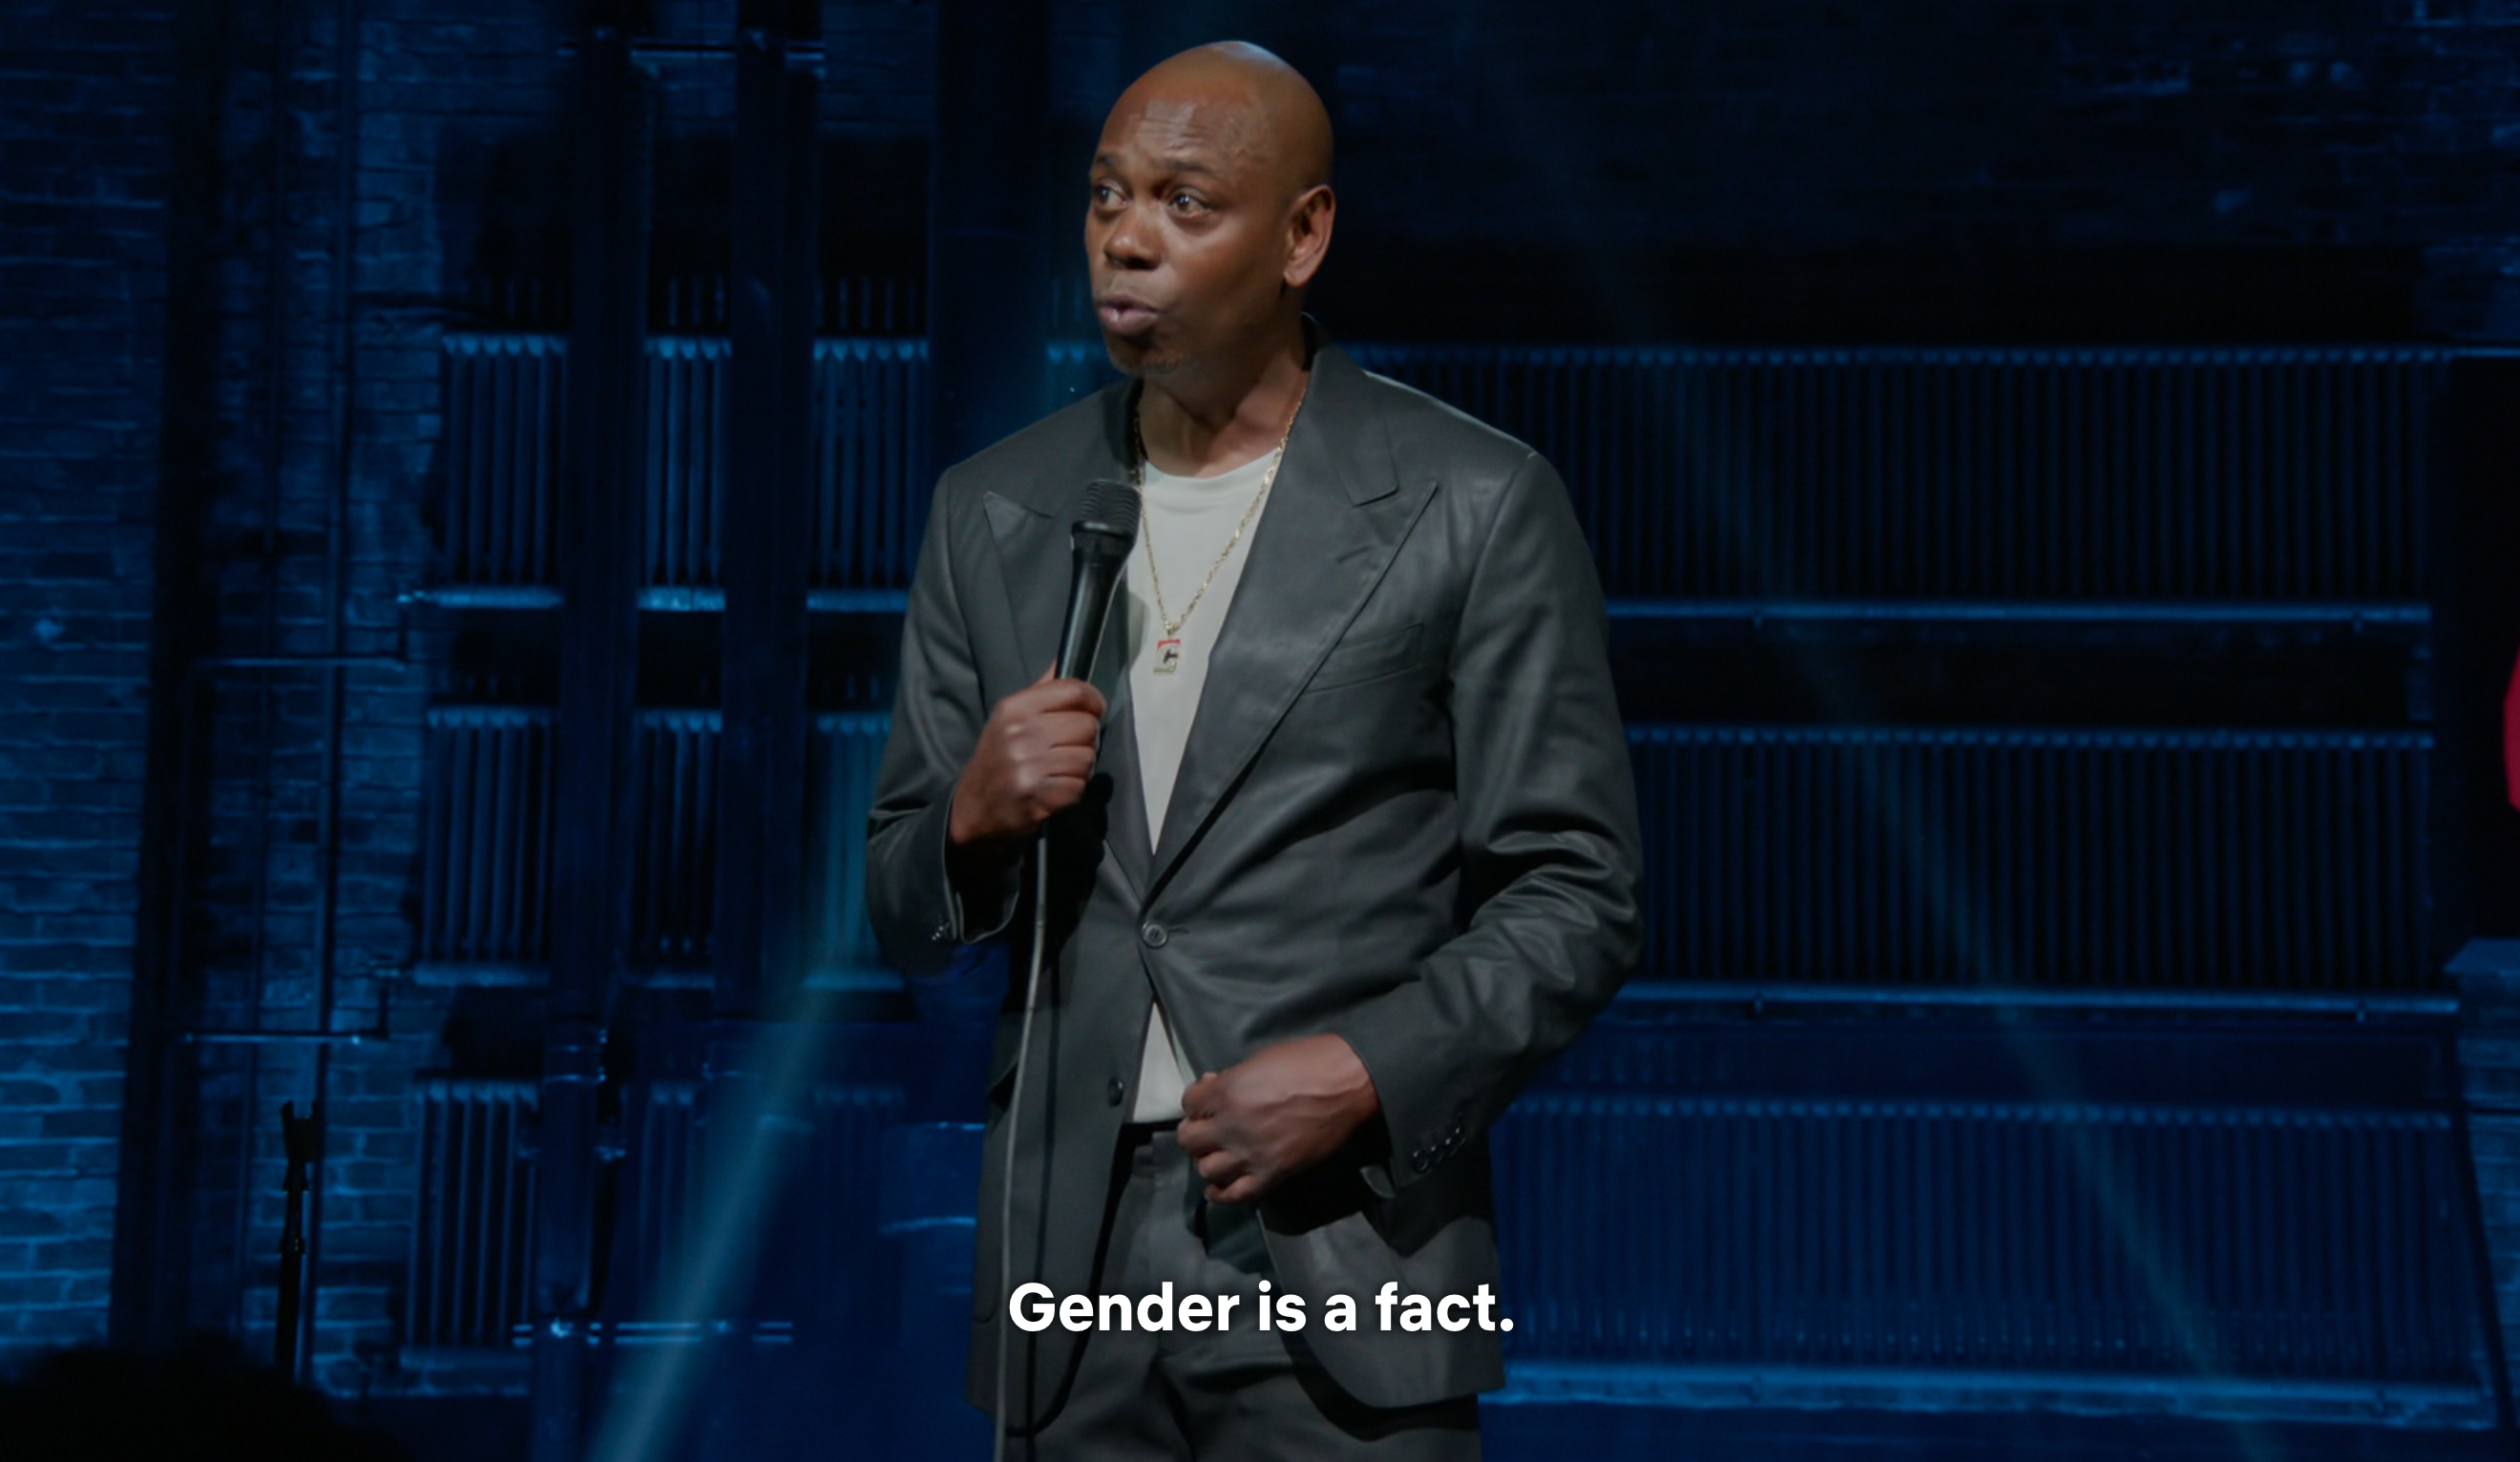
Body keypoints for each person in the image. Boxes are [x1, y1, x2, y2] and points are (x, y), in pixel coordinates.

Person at [866, 40, 1642, 1461]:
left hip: (1348, 1247)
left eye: (1184, 202)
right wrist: (968, 825)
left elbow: (1575, 891)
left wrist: (1367, 1069)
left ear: (1303, 236)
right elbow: (904, 913)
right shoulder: (997, 509)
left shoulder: (1473, 502)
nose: (1127, 238)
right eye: (1106, 195)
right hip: (1070, 1267)